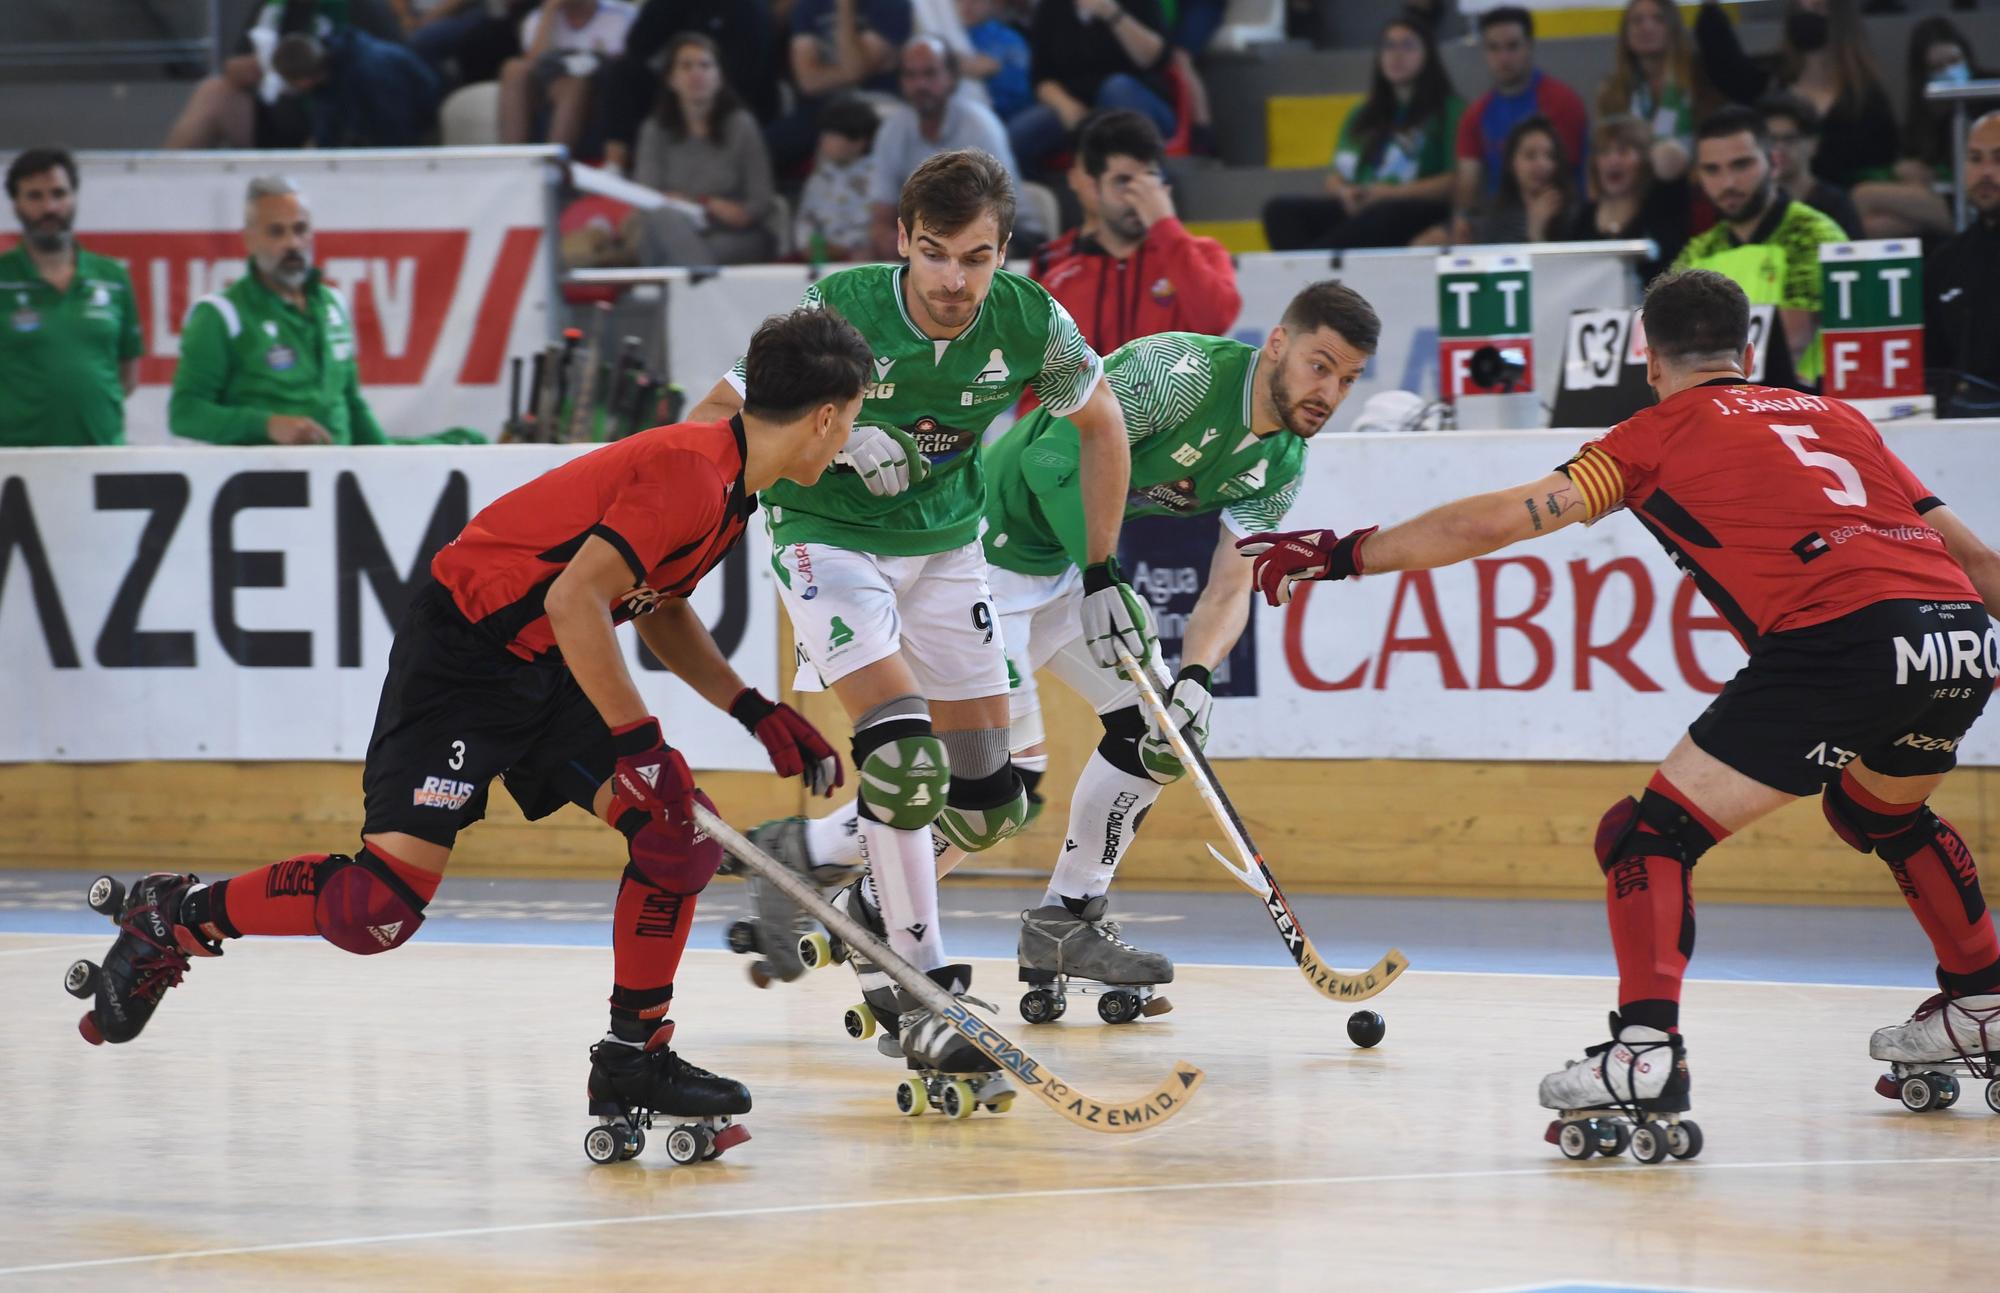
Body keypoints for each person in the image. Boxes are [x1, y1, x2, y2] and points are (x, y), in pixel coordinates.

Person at [1239, 267, 2000, 1154]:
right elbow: (1979, 562)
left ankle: (1643, 1050)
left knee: (1647, 837)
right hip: (1954, 637)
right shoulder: (1840, 417)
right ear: (1747, 351)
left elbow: (1503, 522)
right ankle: (1983, 999)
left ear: (1649, 359)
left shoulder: (1652, 434)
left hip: (1845, 642)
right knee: (1875, 807)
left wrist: (1346, 554)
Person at [76, 307, 865, 1158]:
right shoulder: (692, 470)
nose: (849, 439)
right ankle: (178, 913)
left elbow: (651, 600)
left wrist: (749, 707)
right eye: (853, 420)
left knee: (675, 836)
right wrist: (638, 745)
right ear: (825, 415)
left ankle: (634, 1057)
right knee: (378, 908)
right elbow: (573, 600)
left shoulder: (733, 480)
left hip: (541, 664)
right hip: (466, 656)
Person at [683, 150, 1142, 1089]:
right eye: (933, 253)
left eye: (975, 258)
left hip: (947, 543)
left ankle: (800, 852)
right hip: (830, 538)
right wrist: (836, 434)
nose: (952, 280)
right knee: (901, 754)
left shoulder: (1030, 322)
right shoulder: (835, 308)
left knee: (988, 800)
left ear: (1004, 253)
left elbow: (1104, 425)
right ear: (902, 240)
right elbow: (717, 417)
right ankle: (922, 981)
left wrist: (1099, 570)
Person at [969, 282, 1378, 1006]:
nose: (1331, 392)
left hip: (1071, 567)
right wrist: (1103, 573)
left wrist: (1196, 674)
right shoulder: (1175, 373)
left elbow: (1229, 587)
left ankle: (1067, 919)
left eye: (1347, 379)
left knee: (1161, 732)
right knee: (977, 782)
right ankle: (841, 876)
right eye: (1320, 365)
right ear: (1277, 343)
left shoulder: (1281, 464)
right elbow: (1051, 464)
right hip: (989, 551)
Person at [169, 177, 481, 447]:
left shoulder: (332, 304)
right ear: (249, 239)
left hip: (338, 482)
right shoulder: (221, 314)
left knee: (469, 441)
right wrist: (267, 425)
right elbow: (184, 413)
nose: (292, 243)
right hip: (266, 487)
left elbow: (350, 403)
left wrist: (384, 456)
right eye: (276, 232)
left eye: (300, 229)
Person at [1031, 111, 1238, 354]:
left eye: (1149, 179)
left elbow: (1215, 321)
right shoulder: (1060, 281)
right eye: (1122, 181)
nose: (1137, 196)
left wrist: (1165, 224)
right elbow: (1036, 379)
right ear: (1095, 188)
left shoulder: (1205, 253)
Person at [1261, 13, 1464, 252]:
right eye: (1388, 46)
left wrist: (1390, 194)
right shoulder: (1361, 113)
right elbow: (1334, 177)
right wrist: (1345, 192)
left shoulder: (1450, 109)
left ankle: (1315, 270)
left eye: (1407, 46)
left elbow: (1454, 182)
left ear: (1428, 54)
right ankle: (1314, 271)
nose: (1396, 54)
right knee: (1278, 211)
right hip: (1362, 206)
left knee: (1384, 213)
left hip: (1411, 208)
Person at [1672, 106, 1846, 384]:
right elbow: (1670, 347)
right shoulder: (1698, 251)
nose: (1727, 182)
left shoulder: (1812, 235)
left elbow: (1793, 343)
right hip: (1720, 404)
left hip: (1802, 405)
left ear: (1774, 163)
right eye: (1712, 170)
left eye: (1741, 165)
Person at [0, 149, 142, 449]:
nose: (48, 207)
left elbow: (127, 375)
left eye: (58, 193)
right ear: (16, 204)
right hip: (17, 461)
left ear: (74, 198)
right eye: (34, 196)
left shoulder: (113, 276)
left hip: (102, 456)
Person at [1694, 0, 1896, 192]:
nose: (1808, 10)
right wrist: (1710, 7)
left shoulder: (1866, 99)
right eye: (1801, 5)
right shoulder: (1773, 85)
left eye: (1819, 5)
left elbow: (1882, 164)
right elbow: (1725, 66)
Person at [623, 33, 776, 266]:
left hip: (733, 233)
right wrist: (704, 203)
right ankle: (702, 285)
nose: (696, 73)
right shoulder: (654, 129)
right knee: (664, 221)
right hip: (670, 229)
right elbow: (648, 196)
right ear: (671, 79)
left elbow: (760, 199)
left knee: (711, 249)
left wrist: (733, 212)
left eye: (705, 65)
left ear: (719, 77)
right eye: (686, 66)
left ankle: (694, 284)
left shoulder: (741, 125)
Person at [868, 37, 1022, 259]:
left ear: (951, 78)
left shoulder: (980, 126)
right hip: (928, 249)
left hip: (1003, 239)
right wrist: (887, 239)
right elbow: (881, 217)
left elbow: (1002, 211)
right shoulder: (892, 130)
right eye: (911, 75)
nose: (920, 84)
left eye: (930, 73)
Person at [1451, 6, 1589, 242]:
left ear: (1529, 46)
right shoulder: (1475, 114)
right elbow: (1468, 186)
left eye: (1512, 46)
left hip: (1561, 215)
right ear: (1484, 52)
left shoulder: (1563, 102)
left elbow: (1564, 175)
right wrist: (1463, 220)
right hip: (1500, 219)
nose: (1504, 58)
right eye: (1494, 48)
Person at [601, 0, 779, 175]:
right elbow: (638, 45)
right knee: (622, 71)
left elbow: (747, 76)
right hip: (679, 89)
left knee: (703, 84)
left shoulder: (749, 8)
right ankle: (615, 164)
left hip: (735, 99)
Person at [1010, 0, 1175, 176]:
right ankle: (1033, 199)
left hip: (1139, 103)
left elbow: (1156, 59)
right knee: (1016, 135)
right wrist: (1064, 104)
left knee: (1116, 88)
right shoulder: (1052, 6)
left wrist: (1112, 14)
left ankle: (1152, 190)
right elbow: (1041, 77)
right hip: (1077, 105)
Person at [1852, 18, 1974, 240]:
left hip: (1972, 199)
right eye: (1937, 67)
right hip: (1941, 196)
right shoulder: (1923, 119)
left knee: (1862, 195)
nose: (1949, 72)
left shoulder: (1989, 100)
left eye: (1954, 61)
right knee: (1874, 225)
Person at [769, 0, 914, 173]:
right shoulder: (808, 6)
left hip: (875, 105)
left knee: (844, 137)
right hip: (819, 108)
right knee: (765, 148)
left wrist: (844, 8)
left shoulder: (892, 6)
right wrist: (845, 72)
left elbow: (855, 71)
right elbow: (808, 82)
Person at [1926, 111, 2000, 414]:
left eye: (1998, 159)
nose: (1985, 173)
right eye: (1974, 158)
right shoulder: (1946, 262)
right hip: (1963, 431)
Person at [499, 0, 639, 154]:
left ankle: (553, 162)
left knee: (574, 84)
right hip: (547, 87)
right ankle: (513, 156)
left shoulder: (623, 16)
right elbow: (533, 63)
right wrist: (549, 11)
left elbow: (626, 70)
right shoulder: (537, 18)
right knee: (514, 69)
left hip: (598, 91)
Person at [266, 27, 444, 146]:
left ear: (303, 80)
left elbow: (398, 132)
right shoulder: (327, 77)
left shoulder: (369, 72)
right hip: (389, 132)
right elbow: (326, 134)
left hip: (429, 128)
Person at [1565, 115, 1690, 282]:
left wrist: (1648, 145)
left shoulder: (1662, 205)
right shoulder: (1583, 217)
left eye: (1623, 151)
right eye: (1604, 152)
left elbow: (1673, 158)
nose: (1613, 160)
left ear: (1645, 160)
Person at [1595, 0, 1707, 182]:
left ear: (1673, 28)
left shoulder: (1700, 81)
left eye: (1659, 19)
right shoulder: (1610, 92)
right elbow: (1602, 153)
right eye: (1637, 21)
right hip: (1635, 189)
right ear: (1626, 33)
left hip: (1695, 186)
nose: (1647, 27)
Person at [1756, 92, 1865, 239]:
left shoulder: (1836, 204)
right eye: (1771, 140)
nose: (1779, 148)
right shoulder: (1751, 203)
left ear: (1813, 144)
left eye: (1789, 139)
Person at [796, 97, 881, 262]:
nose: (824, 140)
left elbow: (869, 225)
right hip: (816, 254)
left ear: (859, 142)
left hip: (854, 254)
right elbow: (806, 217)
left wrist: (841, 247)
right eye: (824, 133)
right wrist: (808, 245)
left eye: (833, 135)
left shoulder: (876, 178)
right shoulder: (819, 176)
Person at [1473, 114, 1578, 245]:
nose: (1542, 164)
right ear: (1512, 163)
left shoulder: (1574, 214)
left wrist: (1537, 232)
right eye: (1531, 155)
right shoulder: (1494, 216)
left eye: (1550, 156)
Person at [957, 0, 1031, 121]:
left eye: (975, 1)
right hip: (970, 117)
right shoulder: (955, 34)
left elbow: (982, 67)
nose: (967, 4)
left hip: (1013, 118)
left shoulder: (1007, 38)